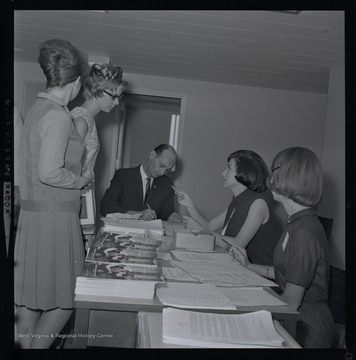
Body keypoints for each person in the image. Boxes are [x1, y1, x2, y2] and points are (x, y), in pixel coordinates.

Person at [14, 39, 92, 349]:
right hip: (54, 219)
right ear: (75, 83)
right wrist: (81, 178)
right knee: (67, 300)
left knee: (30, 300)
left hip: (34, 217)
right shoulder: (59, 115)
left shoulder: (38, 107)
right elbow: (49, 172)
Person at [230, 147, 334, 348]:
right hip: (297, 319)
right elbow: (284, 272)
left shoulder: (304, 231)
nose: (270, 177)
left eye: (274, 170)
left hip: (307, 328)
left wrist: (244, 305)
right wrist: (249, 266)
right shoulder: (295, 222)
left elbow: (290, 302)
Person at [176, 149, 282, 265]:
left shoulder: (258, 203)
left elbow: (238, 244)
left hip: (258, 274)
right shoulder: (237, 201)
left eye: (229, 168)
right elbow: (210, 226)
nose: (223, 173)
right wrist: (190, 205)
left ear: (245, 173)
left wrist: (203, 231)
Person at [100, 144, 182, 223]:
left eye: (167, 170)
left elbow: (166, 215)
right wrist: (136, 215)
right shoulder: (123, 176)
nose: (162, 172)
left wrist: (173, 217)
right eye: (162, 166)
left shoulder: (166, 183)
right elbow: (105, 207)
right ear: (152, 155)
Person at [71, 62, 125, 179]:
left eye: (119, 98)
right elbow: (70, 168)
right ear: (98, 90)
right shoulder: (80, 121)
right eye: (114, 96)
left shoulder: (88, 119)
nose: (116, 102)